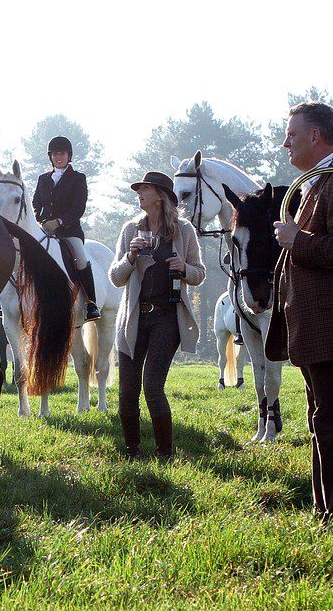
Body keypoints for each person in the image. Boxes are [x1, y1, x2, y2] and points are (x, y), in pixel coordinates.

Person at [267, 101, 333, 524]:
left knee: (328, 419)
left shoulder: (331, 184)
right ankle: (322, 510)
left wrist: (297, 239)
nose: (285, 142)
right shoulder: (316, 183)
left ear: (315, 136)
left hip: (329, 333)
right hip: (315, 333)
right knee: (319, 418)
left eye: (292, 135)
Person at [109, 171, 205, 460]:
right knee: (127, 391)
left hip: (166, 318)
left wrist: (184, 268)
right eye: (139, 189)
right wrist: (130, 257)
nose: (139, 193)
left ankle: (165, 454)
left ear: (161, 197)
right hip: (134, 318)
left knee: (152, 386)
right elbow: (115, 277)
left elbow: (199, 274)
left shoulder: (184, 230)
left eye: (145, 189)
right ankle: (132, 452)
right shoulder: (130, 229)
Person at [33, 136, 101, 322]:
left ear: (68, 155)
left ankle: (91, 303)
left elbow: (78, 208)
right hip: (47, 231)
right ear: (51, 157)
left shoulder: (78, 178)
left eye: (61, 153)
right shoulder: (43, 179)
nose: (58, 156)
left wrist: (59, 222)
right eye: (55, 154)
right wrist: (43, 220)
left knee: (80, 258)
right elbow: (36, 203)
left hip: (70, 232)